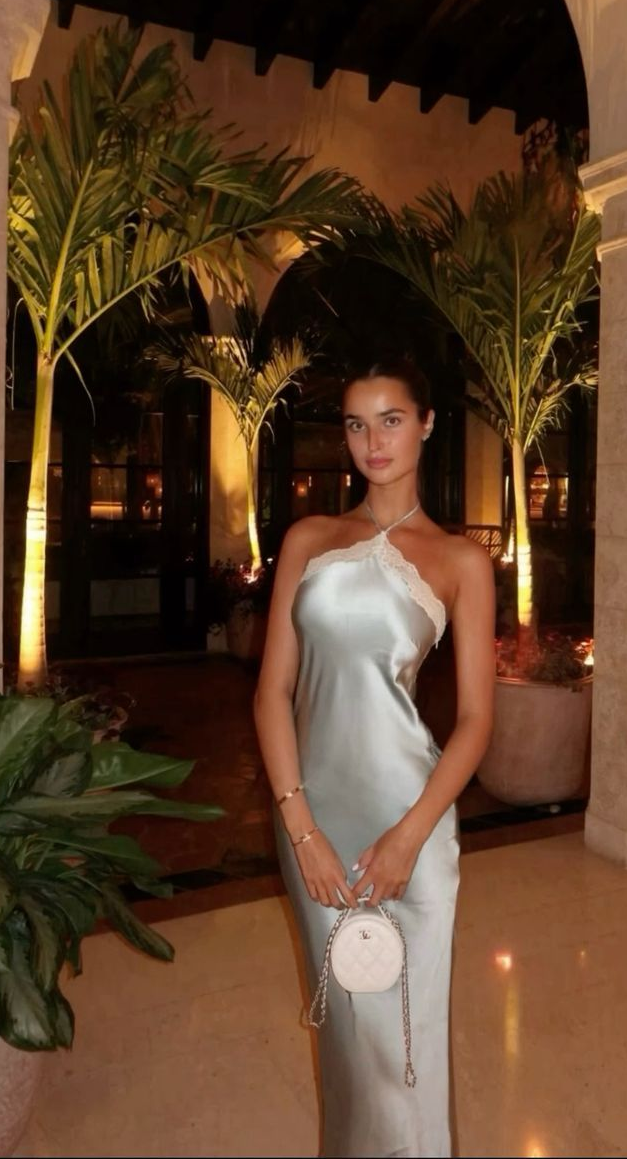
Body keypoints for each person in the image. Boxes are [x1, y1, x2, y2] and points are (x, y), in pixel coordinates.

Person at [254, 356, 496, 1159]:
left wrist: (408, 838)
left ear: (426, 423)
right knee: (348, 1036)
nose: (373, 441)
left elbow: (474, 722)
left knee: (406, 1035)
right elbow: (273, 694)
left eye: (391, 419)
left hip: (410, 819)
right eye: (357, 424)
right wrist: (303, 830)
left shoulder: (460, 561)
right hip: (312, 816)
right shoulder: (308, 538)